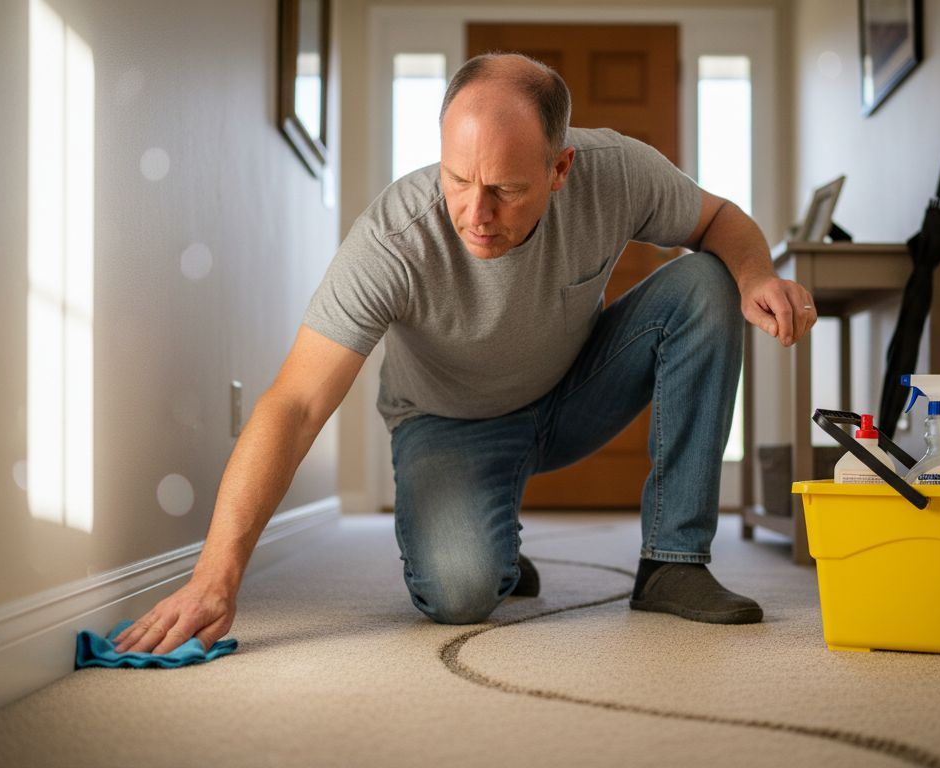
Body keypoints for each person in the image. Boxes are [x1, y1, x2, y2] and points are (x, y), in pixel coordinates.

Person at [115, 53, 816, 654]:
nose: (475, 214)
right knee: (459, 593)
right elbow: (294, 405)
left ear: (560, 167)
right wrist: (217, 571)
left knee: (704, 281)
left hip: (570, 395)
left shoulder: (614, 171)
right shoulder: (394, 240)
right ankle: (495, 544)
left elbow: (720, 218)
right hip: (446, 422)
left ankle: (673, 560)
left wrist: (756, 276)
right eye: (457, 179)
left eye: (506, 190)